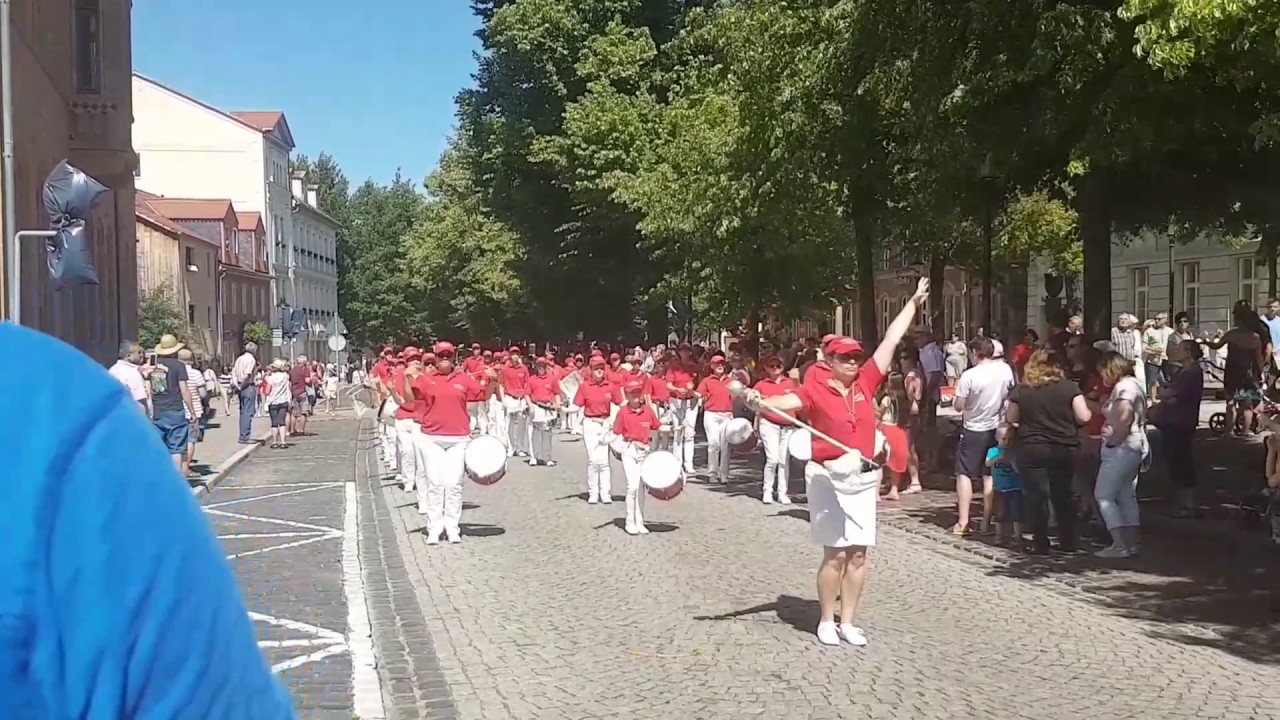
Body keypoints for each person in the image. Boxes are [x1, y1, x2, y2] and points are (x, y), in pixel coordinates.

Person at [0, 324, 293, 717]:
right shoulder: (52, 399)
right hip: (137, 439)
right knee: (178, 449)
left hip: (137, 435)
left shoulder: (108, 382)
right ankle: (181, 477)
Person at [749, 277, 927, 648]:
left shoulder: (866, 382)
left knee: (859, 554)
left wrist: (912, 303)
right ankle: (827, 620)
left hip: (862, 479)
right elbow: (787, 403)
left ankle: (849, 622)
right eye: (844, 357)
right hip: (827, 478)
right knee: (835, 553)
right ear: (829, 361)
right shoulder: (814, 390)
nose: (852, 362)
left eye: (855, 357)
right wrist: (757, 400)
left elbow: (891, 340)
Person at [1006, 349, 1092, 554]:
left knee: (1037, 496)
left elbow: (1011, 417)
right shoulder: (1069, 388)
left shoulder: (1022, 390)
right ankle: (1068, 540)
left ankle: (1040, 542)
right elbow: (1084, 417)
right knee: (1063, 494)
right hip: (1064, 446)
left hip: (1032, 446)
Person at [415, 342, 481, 545]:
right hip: (431, 437)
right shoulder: (425, 379)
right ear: (434, 358)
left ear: (454, 357)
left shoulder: (463, 379)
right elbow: (410, 400)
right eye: (441, 355)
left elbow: (481, 394)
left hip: (458, 438)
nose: (445, 358)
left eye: (448, 355)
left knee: (454, 485)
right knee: (435, 484)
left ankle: (452, 527)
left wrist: (495, 381)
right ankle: (434, 527)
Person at [951, 335, 1015, 536]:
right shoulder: (1005, 370)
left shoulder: (970, 376)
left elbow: (959, 405)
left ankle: (963, 521)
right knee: (989, 473)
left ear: (974, 353)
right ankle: (988, 519)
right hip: (996, 427)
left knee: (965, 473)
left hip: (973, 427)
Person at [1094, 351, 1150, 558]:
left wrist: (1112, 442)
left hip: (1122, 447)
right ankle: (1131, 542)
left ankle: (1119, 544)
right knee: (1126, 494)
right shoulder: (1134, 385)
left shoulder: (1123, 388)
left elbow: (1125, 418)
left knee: (1104, 494)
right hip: (1134, 446)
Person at [1151, 339, 1204, 517]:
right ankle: (1182, 501)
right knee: (1174, 459)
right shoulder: (1183, 371)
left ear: (1188, 352)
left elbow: (1170, 393)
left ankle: (1187, 503)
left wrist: (1166, 394)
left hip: (1181, 421)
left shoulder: (1191, 372)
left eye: (1180, 348)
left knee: (1181, 460)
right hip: (1174, 420)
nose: (1176, 350)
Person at [613, 379, 661, 535]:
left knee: (641, 487)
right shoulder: (623, 412)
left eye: (638, 392)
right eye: (632, 393)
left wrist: (674, 428)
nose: (636, 396)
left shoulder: (647, 410)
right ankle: (629, 521)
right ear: (626, 395)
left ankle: (640, 521)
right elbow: (616, 433)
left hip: (644, 452)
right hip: (629, 450)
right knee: (632, 486)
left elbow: (657, 426)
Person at [575, 356, 622, 504]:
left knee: (605, 461)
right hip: (590, 423)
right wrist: (561, 407)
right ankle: (593, 493)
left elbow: (620, 404)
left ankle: (605, 493)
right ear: (591, 370)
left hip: (605, 423)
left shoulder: (611, 386)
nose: (599, 371)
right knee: (593, 460)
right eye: (596, 368)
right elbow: (576, 406)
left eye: (602, 368)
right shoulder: (584, 387)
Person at [147, 334, 197, 471]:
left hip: (158, 410)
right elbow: (184, 389)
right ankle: (177, 481)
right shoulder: (179, 366)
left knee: (160, 447)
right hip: (175, 409)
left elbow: (149, 388)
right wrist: (192, 411)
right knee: (176, 448)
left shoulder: (153, 365)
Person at [753, 355, 797, 505]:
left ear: (782, 367)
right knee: (772, 458)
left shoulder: (791, 383)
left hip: (788, 425)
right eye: (771, 366)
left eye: (778, 366)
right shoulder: (761, 385)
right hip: (769, 423)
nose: (775, 369)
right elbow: (753, 403)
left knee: (784, 460)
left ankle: (782, 492)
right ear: (766, 368)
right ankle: (767, 490)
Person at [696, 353, 735, 484]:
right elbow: (698, 394)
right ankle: (712, 473)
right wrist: (691, 392)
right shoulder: (707, 380)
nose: (720, 366)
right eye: (717, 364)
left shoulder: (731, 381)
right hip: (711, 414)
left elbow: (740, 392)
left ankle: (724, 474)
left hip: (727, 415)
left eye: (722, 364)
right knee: (713, 444)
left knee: (725, 445)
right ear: (712, 366)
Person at [986, 426, 1022, 546]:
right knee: (999, 513)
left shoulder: (1015, 452)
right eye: (1003, 439)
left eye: (1009, 439)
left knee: (1016, 513)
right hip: (999, 488)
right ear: (997, 438)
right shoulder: (993, 451)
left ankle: (1017, 536)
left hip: (1014, 487)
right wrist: (998, 457)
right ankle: (999, 536)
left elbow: (1019, 471)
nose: (1006, 442)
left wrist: (1012, 461)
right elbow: (987, 463)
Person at [527, 358, 561, 467]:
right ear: (536, 366)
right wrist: (530, 405)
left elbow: (556, 393)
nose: (541, 368)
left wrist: (558, 404)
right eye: (539, 365)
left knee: (547, 433)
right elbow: (527, 394)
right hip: (536, 407)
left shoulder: (552, 379)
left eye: (542, 365)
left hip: (548, 408)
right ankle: (535, 457)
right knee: (535, 433)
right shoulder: (531, 379)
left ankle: (547, 458)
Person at [231, 341, 259, 444]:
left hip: (239, 385)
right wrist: (242, 385)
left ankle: (243, 435)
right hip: (247, 386)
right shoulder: (251, 360)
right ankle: (245, 436)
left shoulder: (239, 359)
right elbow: (247, 375)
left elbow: (233, 372)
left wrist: (236, 384)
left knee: (243, 412)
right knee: (248, 411)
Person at [265, 359, 292, 448]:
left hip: (273, 401)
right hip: (283, 400)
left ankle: (274, 442)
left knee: (274, 422)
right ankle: (283, 442)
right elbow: (288, 388)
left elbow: (267, 391)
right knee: (282, 422)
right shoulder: (285, 376)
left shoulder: (271, 378)